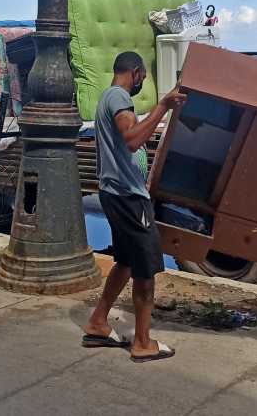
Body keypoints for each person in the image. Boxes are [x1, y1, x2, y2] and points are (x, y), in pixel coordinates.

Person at [82, 51, 187, 363]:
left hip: (116, 194)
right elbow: (131, 138)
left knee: (126, 262)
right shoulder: (118, 97)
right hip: (128, 198)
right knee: (145, 270)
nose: (143, 81)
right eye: (143, 76)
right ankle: (143, 342)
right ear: (136, 71)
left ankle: (98, 323)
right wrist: (163, 106)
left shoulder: (109, 98)